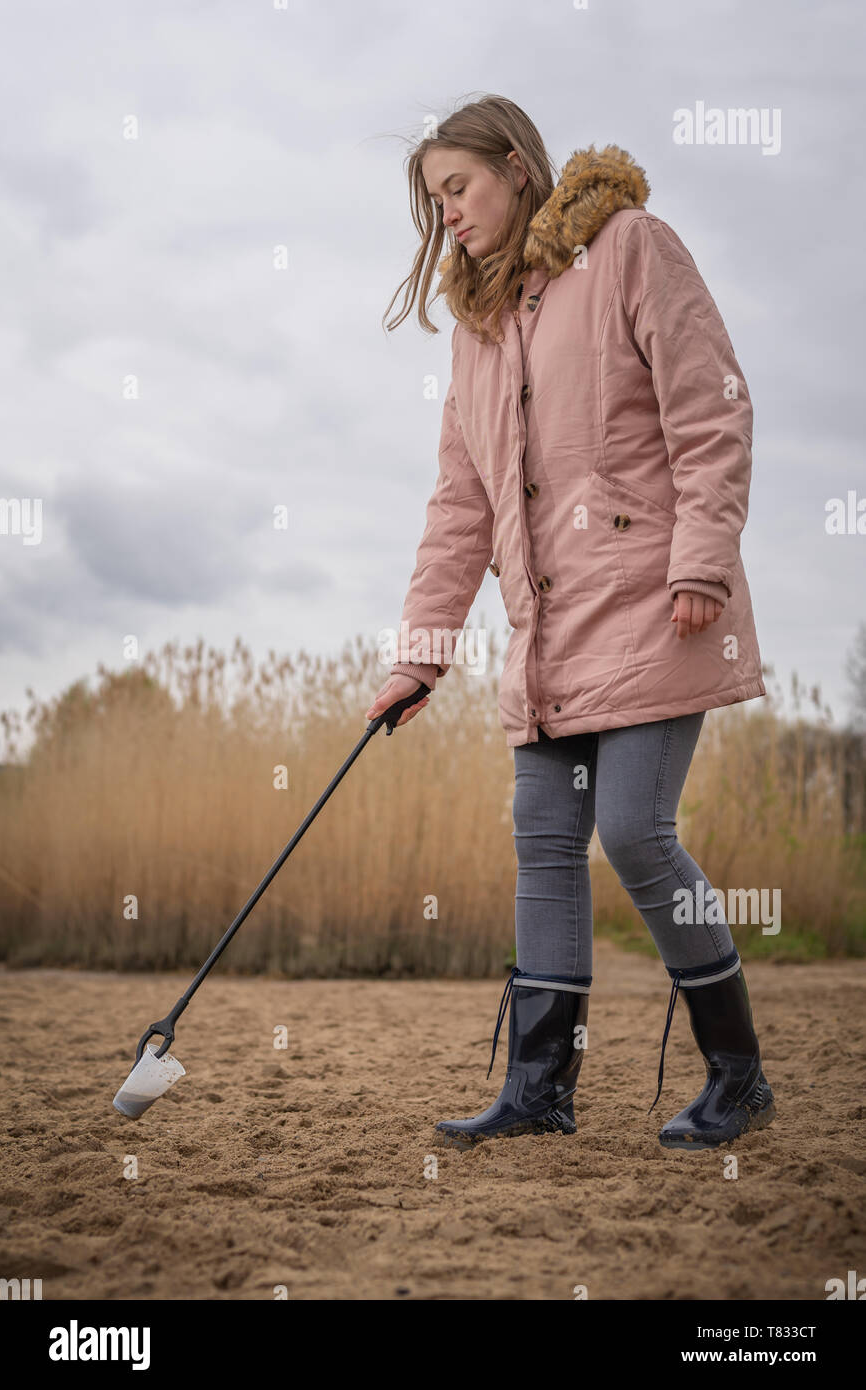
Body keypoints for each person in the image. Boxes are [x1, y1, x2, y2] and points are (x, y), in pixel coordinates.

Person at [365, 94, 775, 1153]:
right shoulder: (479, 332)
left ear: (515, 164)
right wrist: (421, 654)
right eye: (433, 199)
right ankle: (540, 1088)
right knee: (544, 842)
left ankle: (739, 1076)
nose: (446, 213)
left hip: (660, 602)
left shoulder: (630, 247)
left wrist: (704, 564)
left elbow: (712, 406)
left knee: (636, 829)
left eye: (458, 187)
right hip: (546, 635)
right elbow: (462, 508)